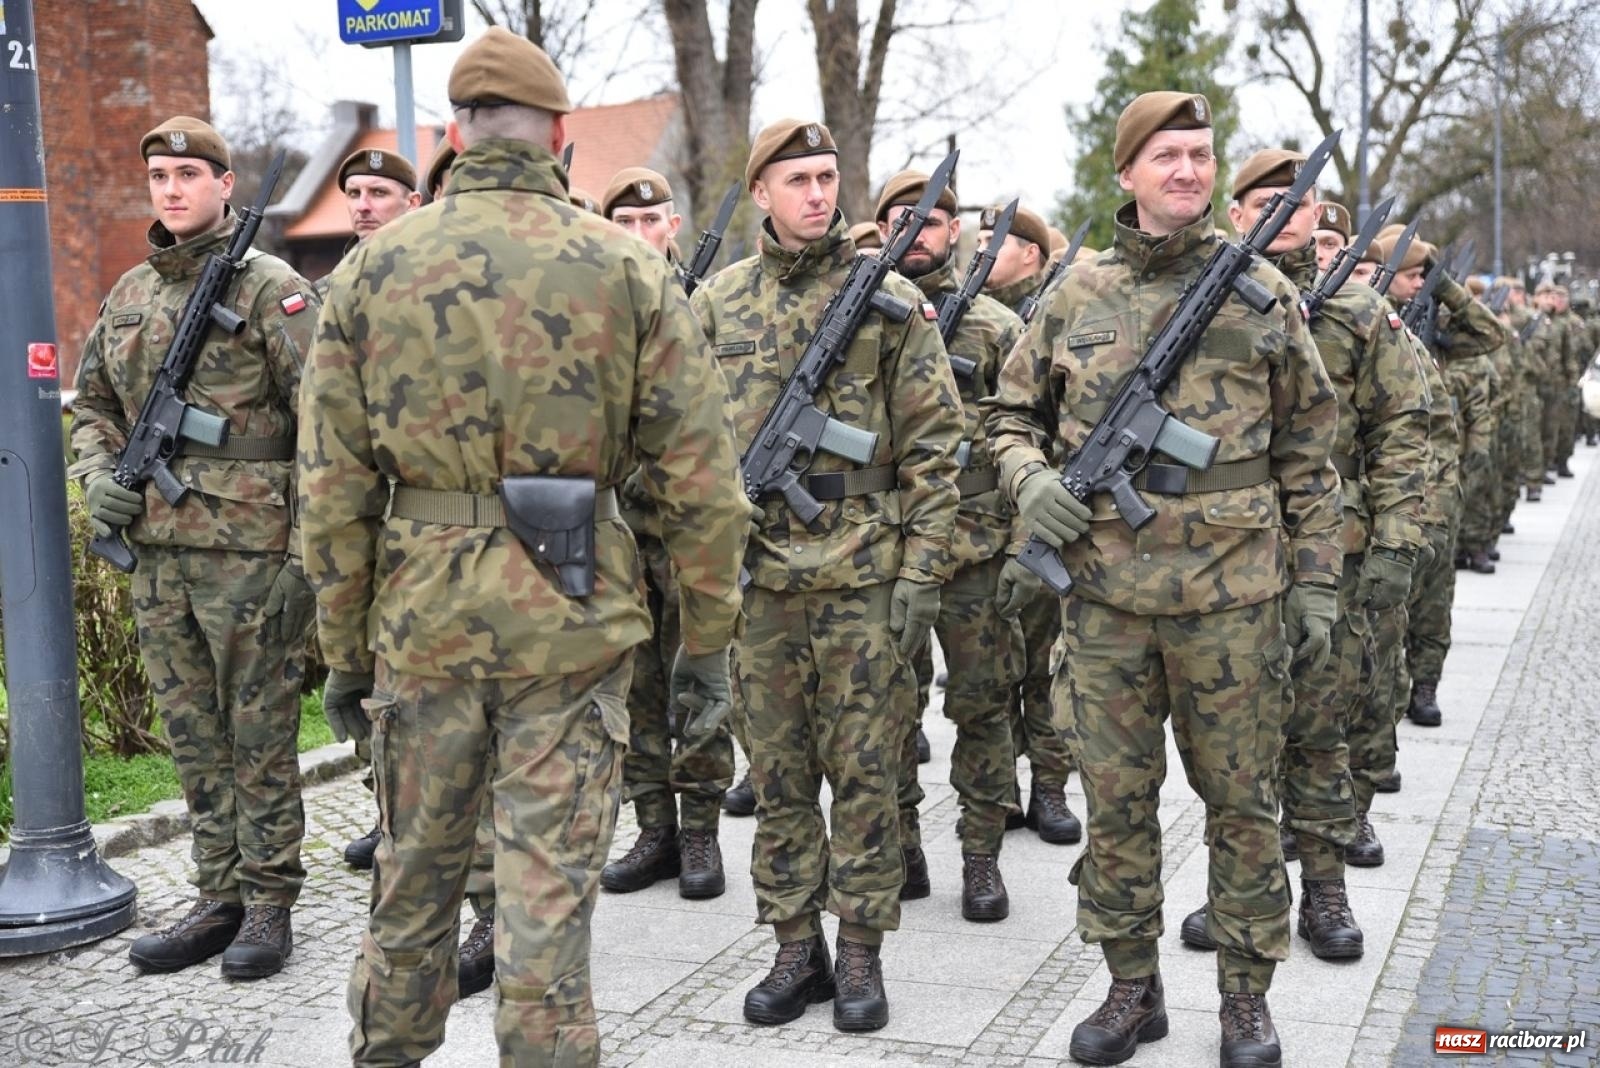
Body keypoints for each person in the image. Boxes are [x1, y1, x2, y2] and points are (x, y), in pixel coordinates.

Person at [297, 29, 748, 1065]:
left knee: (410, 887)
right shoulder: (628, 269)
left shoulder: (369, 272)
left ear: (457, 133)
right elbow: (702, 485)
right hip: (571, 634)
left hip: (423, 630)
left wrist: (340, 648)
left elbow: (328, 490)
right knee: (546, 914)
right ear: (556, 135)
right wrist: (709, 641)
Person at [982, 92, 1340, 1068]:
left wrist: (1313, 581)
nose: (1188, 171)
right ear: (1126, 174)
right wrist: (1030, 482)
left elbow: (1311, 448)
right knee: (1116, 804)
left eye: (1200, 154)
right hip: (1103, 602)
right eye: (1167, 156)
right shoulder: (1071, 295)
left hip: (1233, 601)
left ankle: (1244, 1000)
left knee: (1242, 807)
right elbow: (1005, 416)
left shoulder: (1261, 294)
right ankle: (1130, 988)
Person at [691, 118, 964, 1032]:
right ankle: (793, 944)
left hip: (862, 582)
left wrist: (920, 574)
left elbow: (935, 447)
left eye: (827, 176)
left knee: (867, 777)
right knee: (776, 779)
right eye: (797, 179)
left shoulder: (887, 303)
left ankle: (859, 951)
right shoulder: (717, 304)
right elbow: (682, 448)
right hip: (759, 585)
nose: (817, 193)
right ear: (760, 192)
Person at [72, 116, 317, 980]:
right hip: (159, 552)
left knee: (259, 731)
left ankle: (270, 901)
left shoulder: (269, 288)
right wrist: (96, 474)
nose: (171, 190)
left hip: (251, 552)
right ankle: (216, 895)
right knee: (193, 734)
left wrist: (305, 556)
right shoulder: (130, 292)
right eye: (159, 177)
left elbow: (324, 423)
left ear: (223, 184)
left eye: (188, 174)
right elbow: (94, 403)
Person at [1177, 150, 1428, 963]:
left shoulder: (1359, 313)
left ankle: (1324, 892)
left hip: (1334, 558)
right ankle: (1241, 895)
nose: (1299, 212)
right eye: (1276, 200)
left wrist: (1396, 543)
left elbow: (1406, 433)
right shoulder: (1205, 297)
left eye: (1311, 200)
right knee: (1232, 748)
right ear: (1239, 211)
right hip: (1227, 559)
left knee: (1320, 734)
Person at [874, 169, 1026, 923]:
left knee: (983, 707)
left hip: (977, 551)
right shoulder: (862, 317)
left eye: (931, 220)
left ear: (954, 233)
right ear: (878, 228)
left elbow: (1035, 432)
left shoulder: (997, 328)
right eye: (903, 218)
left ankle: (981, 856)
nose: (918, 231)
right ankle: (902, 844)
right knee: (887, 710)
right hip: (883, 548)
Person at [598, 165, 738, 899]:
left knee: (699, 682)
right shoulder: (590, 309)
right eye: (625, 222)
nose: (641, 235)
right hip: (618, 530)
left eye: (652, 221)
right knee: (635, 687)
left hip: (686, 532)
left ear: (674, 227)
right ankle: (652, 826)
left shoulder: (707, 306)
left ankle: (700, 833)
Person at [314, 147, 423, 872]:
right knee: (359, 690)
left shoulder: (435, 287)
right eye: (353, 191)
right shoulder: (325, 294)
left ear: (411, 203)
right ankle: (387, 809)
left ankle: (425, 830)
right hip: (352, 524)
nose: (361, 204)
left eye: (379, 191)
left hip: (422, 525)